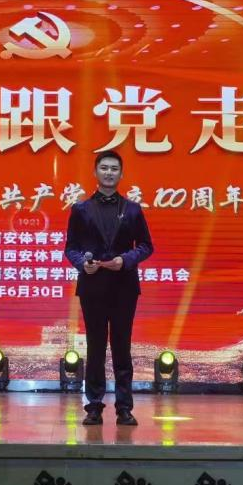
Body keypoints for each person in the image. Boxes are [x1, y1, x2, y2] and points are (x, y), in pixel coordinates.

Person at [65, 150, 154, 426]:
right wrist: (83, 264)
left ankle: (124, 407)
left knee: (121, 346)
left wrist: (125, 260)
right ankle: (93, 406)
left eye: (114, 168)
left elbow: (146, 246)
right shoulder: (80, 209)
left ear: (121, 174)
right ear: (95, 172)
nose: (109, 172)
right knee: (95, 346)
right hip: (92, 286)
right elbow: (71, 248)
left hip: (124, 287)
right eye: (104, 168)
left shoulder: (133, 209)